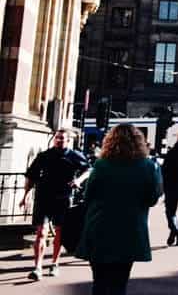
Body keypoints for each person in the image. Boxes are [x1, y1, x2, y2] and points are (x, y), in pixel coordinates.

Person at [76, 124, 162, 295]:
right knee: (119, 284)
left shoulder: (101, 165)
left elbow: (88, 196)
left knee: (99, 283)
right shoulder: (148, 166)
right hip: (130, 231)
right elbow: (152, 199)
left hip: (100, 228)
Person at [20, 128, 90, 281]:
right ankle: (37, 267)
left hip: (63, 198)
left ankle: (54, 263)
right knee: (41, 232)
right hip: (43, 197)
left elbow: (88, 170)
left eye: (62, 138)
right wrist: (25, 196)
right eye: (57, 138)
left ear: (68, 140)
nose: (59, 140)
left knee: (60, 232)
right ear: (54, 139)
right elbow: (31, 175)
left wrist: (78, 180)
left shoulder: (74, 156)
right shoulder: (44, 156)